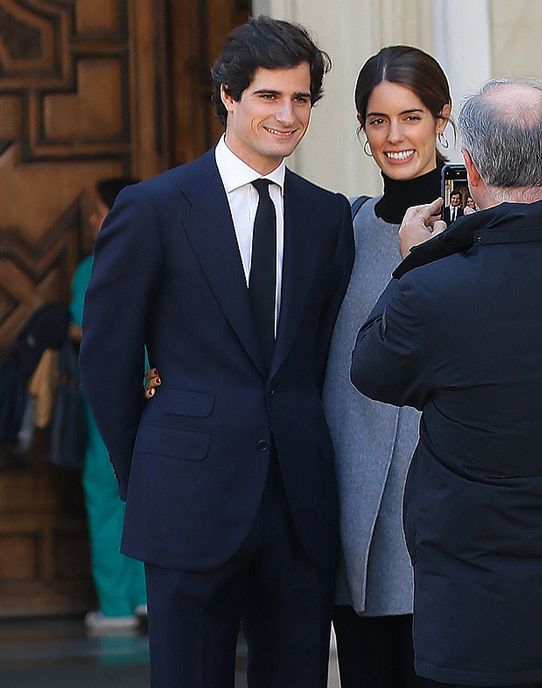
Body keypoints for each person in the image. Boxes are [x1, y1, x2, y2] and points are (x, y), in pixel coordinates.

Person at [351, 78, 542, 688]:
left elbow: (370, 368)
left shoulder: (433, 292)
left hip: (481, 632)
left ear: (468, 166)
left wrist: (415, 260)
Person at [79, 16, 354, 688]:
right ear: (230, 95)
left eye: (301, 99)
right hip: (185, 500)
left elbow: (321, 358)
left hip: (299, 508)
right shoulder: (154, 208)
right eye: (269, 96)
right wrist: (144, 468)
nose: (287, 115)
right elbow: (106, 360)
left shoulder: (328, 216)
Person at [322, 45, 450, 688]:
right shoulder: (343, 228)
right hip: (358, 519)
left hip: (445, 520)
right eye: (378, 120)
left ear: (442, 119)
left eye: (412, 117)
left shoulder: (481, 227)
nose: (395, 136)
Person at [70, 177, 147, 633]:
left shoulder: (93, 267)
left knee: (105, 495)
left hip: (111, 398)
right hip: (163, 392)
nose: (93, 222)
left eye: (97, 212)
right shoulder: (161, 255)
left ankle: (117, 606)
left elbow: (87, 333)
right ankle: (147, 596)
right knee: (152, 493)